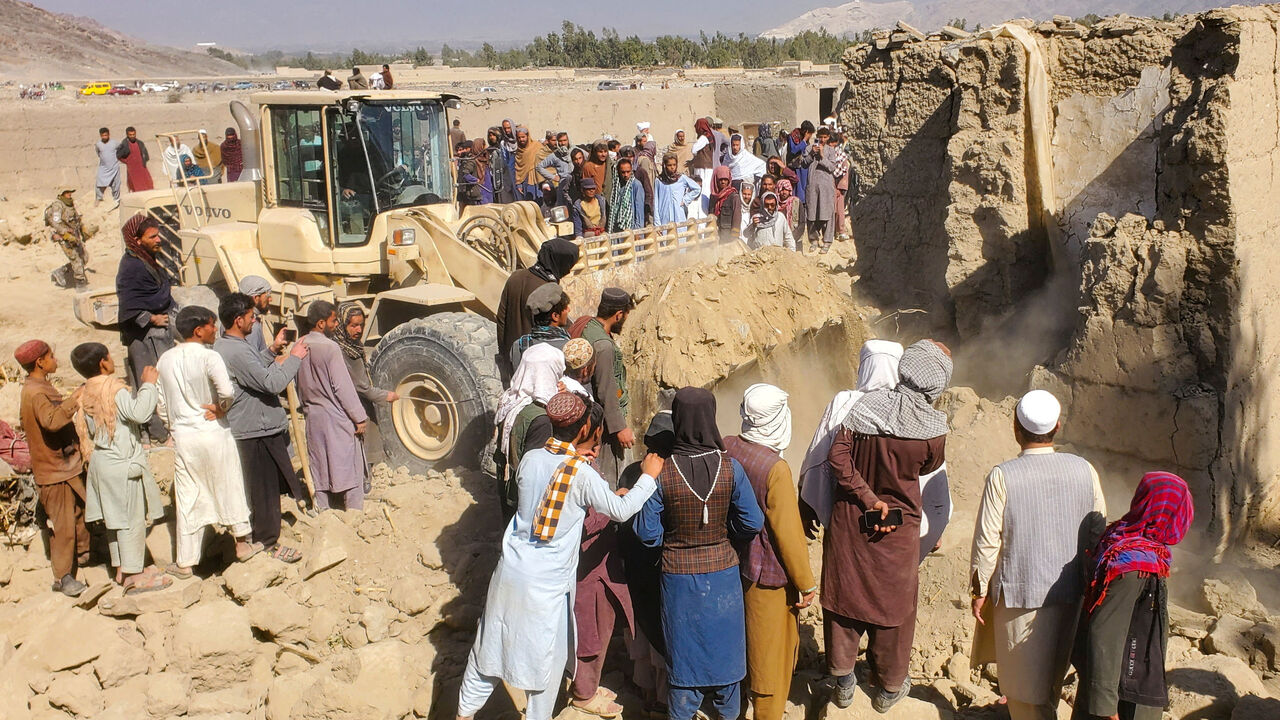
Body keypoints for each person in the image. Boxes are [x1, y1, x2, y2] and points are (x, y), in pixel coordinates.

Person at [457, 392, 663, 720]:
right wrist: (648, 477)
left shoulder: (532, 458)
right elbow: (621, 510)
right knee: (547, 662)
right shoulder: (581, 473)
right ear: (585, 431)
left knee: (489, 647)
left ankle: (464, 714)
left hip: (510, 571)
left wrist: (597, 489)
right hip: (546, 584)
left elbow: (551, 497)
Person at [823, 339, 951, 712]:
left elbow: (837, 458)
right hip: (899, 530)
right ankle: (889, 688)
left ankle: (843, 680)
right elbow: (929, 467)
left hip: (851, 522)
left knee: (844, 597)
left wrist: (868, 497)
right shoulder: (934, 430)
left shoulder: (864, 407)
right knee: (895, 606)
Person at [970, 390, 1106, 720]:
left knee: (1023, 693)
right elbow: (1098, 530)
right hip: (1072, 595)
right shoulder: (1084, 469)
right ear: (1057, 426)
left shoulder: (1003, 475)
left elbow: (987, 541)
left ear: (1015, 428)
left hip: (1020, 598)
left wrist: (979, 589)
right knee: (1051, 681)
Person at [634, 387, 765, 720]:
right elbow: (752, 521)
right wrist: (726, 536)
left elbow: (647, 534)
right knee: (726, 663)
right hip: (723, 577)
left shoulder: (662, 472)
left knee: (684, 665)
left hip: (678, 580)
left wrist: (672, 538)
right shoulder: (731, 468)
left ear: (678, 420)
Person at [724, 384, 816, 720]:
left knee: (741, 646)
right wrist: (806, 583)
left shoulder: (728, 445)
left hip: (733, 565)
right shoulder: (775, 468)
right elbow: (787, 534)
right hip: (767, 577)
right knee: (770, 661)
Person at [1074, 472, 1193, 720]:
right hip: (1125, 693)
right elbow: (1105, 634)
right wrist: (1106, 707)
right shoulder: (1134, 565)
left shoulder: (1125, 540)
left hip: (1132, 678)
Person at [156, 306, 261, 577]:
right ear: (198, 330)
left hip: (184, 437)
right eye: (212, 325)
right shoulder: (209, 357)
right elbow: (227, 391)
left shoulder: (165, 360)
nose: (216, 329)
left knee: (188, 496)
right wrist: (221, 408)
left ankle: (186, 562)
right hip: (213, 432)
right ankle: (242, 544)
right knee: (229, 484)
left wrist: (174, 426)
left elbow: (161, 403)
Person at [214, 293, 310, 562]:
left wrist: (271, 351)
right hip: (255, 428)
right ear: (238, 320)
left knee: (261, 487)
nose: (254, 321)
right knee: (263, 489)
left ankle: (261, 536)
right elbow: (271, 383)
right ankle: (267, 542)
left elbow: (252, 371)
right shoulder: (236, 350)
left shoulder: (228, 345)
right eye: (251, 317)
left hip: (253, 425)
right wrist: (294, 358)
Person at [69, 342, 170, 593]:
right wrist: (148, 385)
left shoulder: (85, 390)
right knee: (131, 520)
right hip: (121, 464)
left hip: (102, 463)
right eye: (109, 356)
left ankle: (121, 569)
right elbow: (140, 414)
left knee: (115, 521)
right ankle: (135, 576)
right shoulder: (113, 390)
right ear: (103, 363)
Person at [16, 340, 90, 597]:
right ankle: (63, 577)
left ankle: (83, 555)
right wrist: (74, 399)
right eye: (51, 356)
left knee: (79, 512)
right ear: (40, 362)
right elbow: (52, 421)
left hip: (64, 466)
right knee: (63, 525)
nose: (55, 359)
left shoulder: (38, 387)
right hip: (54, 470)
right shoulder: (36, 392)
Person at [296, 301, 369, 511]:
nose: (337, 325)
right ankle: (354, 510)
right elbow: (342, 387)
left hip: (313, 415)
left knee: (320, 463)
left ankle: (323, 507)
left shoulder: (299, 345)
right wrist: (359, 417)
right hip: (336, 415)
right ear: (321, 323)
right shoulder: (330, 348)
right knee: (349, 465)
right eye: (333, 320)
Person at [116, 213, 175, 444]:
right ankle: (156, 433)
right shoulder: (131, 267)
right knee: (149, 382)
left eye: (158, 235)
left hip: (157, 333)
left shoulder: (146, 259)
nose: (158, 240)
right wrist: (151, 318)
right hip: (142, 336)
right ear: (137, 240)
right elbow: (128, 303)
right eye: (152, 237)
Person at [570, 288, 634, 488]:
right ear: (619, 315)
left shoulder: (586, 324)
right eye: (625, 316)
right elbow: (606, 389)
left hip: (587, 414)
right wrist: (620, 427)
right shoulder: (604, 346)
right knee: (608, 475)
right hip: (602, 424)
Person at [493, 344, 565, 517]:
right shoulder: (541, 419)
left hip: (507, 490)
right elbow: (535, 474)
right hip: (526, 503)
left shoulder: (509, 401)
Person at [495, 237, 580, 383]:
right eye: (568, 265)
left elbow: (501, 320)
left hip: (514, 362)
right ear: (559, 262)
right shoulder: (549, 292)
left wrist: (506, 357)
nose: (568, 270)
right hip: (537, 369)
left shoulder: (515, 277)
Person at [334, 302, 398, 468]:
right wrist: (386, 396)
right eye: (353, 325)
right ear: (342, 324)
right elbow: (361, 388)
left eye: (361, 325)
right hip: (352, 404)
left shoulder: (351, 345)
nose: (359, 330)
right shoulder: (346, 352)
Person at [510, 283, 572, 370]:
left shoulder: (519, 345)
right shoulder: (569, 348)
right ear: (555, 316)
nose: (569, 310)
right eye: (565, 308)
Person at [800, 127, 838, 253]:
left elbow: (832, 167)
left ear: (828, 137)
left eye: (825, 137)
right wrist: (812, 154)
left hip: (826, 186)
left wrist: (822, 156)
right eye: (820, 137)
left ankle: (827, 241)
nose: (822, 140)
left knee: (827, 213)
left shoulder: (831, 151)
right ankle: (814, 240)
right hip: (812, 185)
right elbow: (804, 163)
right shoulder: (808, 148)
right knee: (812, 213)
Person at [44, 188, 88, 289]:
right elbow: (56, 223)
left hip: (74, 235)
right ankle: (80, 285)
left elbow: (76, 219)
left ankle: (61, 271)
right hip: (63, 237)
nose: (70, 194)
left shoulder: (70, 204)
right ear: (62, 193)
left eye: (70, 192)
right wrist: (66, 234)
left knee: (84, 258)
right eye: (67, 192)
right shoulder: (57, 205)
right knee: (76, 259)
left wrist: (83, 230)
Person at [236, 275, 284, 355]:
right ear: (256, 298)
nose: (270, 299)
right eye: (267, 295)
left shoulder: (230, 319)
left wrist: (274, 348)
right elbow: (252, 360)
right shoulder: (251, 326)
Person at [654, 153, 702, 226]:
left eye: (674, 165)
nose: (672, 167)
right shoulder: (659, 180)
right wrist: (657, 223)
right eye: (669, 165)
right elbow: (656, 202)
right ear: (664, 165)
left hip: (678, 215)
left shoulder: (681, 178)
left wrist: (685, 200)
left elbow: (697, 189)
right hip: (664, 216)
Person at [606, 158, 646, 233]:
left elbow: (639, 211)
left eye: (628, 172)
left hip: (631, 228)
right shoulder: (617, 187)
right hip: (617, 228)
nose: (626, 175)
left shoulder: (636, 185)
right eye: (623, 172)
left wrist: (638, 231)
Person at [514, 126, 549, 202]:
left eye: (523, 137)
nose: (521, 140)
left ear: (528, 136)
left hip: (539, 179)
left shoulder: (537, 146)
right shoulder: (518, 151)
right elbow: (518, 168)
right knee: (529, 204)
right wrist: (519, 184)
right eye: (519, 138)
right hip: (526, 181)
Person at [537, 132, 573, 200]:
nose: (563, 143)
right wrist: (552, 177)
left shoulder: (575, 151)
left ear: (568, 140)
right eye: (560, 141)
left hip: (575, 186)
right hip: (563, 187)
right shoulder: (555, 155)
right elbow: (539, 167)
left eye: (565, 140)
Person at [117, 126, 154, 192]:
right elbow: (118, 155)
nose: (132, 136)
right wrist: (127, 161)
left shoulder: (140, 143)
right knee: (135, 184)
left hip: (142, 166)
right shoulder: (124, 144)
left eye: (133, 134)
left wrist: (144, 160)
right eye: (130, 135)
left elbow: (146, 155)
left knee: (148, 183)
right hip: (132, 168)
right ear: (127, 135)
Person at [710, 166, 741, 242]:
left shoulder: (734, 197)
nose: (723, 182)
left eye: (725, 179)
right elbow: (710, 215)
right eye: (720, 179)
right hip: (715, 235)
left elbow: (737, 217)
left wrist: (734, 236)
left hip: (727, 236)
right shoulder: (713, 197)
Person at [95, 127, 122, 205]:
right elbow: (98, 153)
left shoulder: (115, 143)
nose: (104, 137)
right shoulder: (98, 144)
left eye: (106, 135)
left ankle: (116, 200)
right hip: (103, 168)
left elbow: (121, 149)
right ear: (100, 135)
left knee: (116, 184)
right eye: (103, 136)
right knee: (99, 183)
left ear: (109, 134)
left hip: (114, 167)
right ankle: (99, 198)